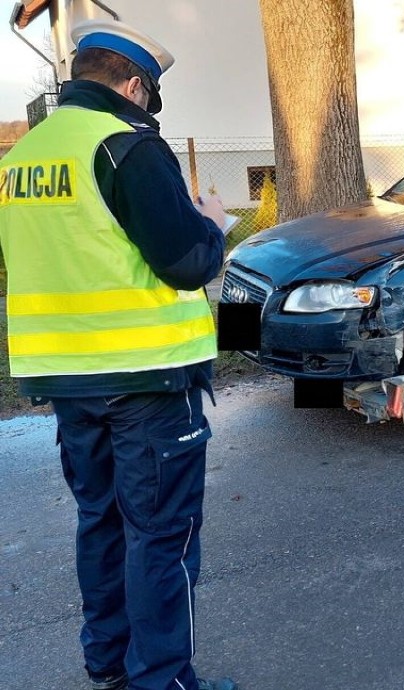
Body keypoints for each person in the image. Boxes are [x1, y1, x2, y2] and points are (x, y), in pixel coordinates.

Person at [0, 18, 236, 690]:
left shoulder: (22, 158)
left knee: (101, 525)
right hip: (147, 379)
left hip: (68, 380)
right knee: (160, 536)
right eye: (148, 96)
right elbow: (187, 260)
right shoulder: (126, 145)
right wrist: (214, 225)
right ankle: (161, 681)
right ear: (134, 85)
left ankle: (108, 666)